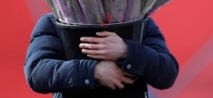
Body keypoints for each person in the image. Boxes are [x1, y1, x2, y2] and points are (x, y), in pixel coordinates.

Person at [24, 13, 179, 98]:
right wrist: (93, 71)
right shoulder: (54, 22)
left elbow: (167, 73)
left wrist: (127, 50)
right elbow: (37, 73)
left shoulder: (140, 23)